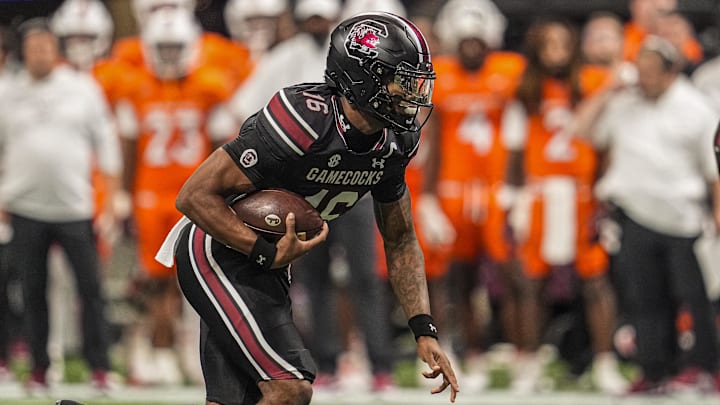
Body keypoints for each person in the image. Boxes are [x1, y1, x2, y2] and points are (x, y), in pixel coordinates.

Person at [155, 12, 459, 405]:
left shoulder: (394, 143)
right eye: (399, 79)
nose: (409, 92)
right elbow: (193, 196)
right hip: (216, 249)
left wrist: (423, 329)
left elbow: (400, 239)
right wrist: (261, 251)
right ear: (362, 77)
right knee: (289, 387)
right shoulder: (306, 119)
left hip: (268, 263)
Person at [591, 36, 720, 394]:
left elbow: (714, 170)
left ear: (671, 71)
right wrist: (606, 89)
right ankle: (654, 370)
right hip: (634, 216)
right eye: (641, 71)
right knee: (645, 300)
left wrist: (718, 215)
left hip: (685, 219)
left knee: (697, 298)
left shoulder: (697, 108)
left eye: (651, 72)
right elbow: (584, 132)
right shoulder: (623, 103)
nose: (644, 79)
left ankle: (707, 367)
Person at [504, 17, 627, 394]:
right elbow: (515, 147)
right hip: (541, 193)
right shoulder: (525, 89)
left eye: (562, 43)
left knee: (594, 280)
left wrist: (605, 193)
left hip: (581, 194)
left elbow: (606, 141)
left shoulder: (590, 82)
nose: (556, 52)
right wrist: (512, 197)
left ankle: (606, 362)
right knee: (530, 281)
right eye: (548, 44)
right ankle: (529, 363)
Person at [0, 18, 121, 393]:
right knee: (31, 292)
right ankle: (39, 368)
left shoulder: (82, 88)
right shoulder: (6, 90)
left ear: (57, 49)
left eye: (47, 46)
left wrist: (114, 198)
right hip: (23, 205)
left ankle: (99, 367)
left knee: (91, 290)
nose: (41, 53)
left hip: (75, 206)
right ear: (24, 51)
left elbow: (107, 142)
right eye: (34, 47)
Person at [117, 8, 237, 385]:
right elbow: (128, 145)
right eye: (162, 47)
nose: (169, 55)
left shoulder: (209, 85)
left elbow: (222, 147)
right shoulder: (136, 86)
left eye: (176, 47)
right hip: (151, 196)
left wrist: (225, 191)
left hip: (195, 195)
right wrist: (122, 192)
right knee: (155, 281)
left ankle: (189, 351)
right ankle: (161, 349)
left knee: (200, 277)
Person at [421, 0, 525, 381]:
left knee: (512, 274)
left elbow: (519, 134)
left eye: (477, 40)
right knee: (458, 278)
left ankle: (522, 355)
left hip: (496, 188)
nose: (471, 47)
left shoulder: (509, 71)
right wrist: (429, 197)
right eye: (464, 40)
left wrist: (518, 188)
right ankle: (471, 352)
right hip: (453, 188)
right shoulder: (440, 75)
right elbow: (432, 142)